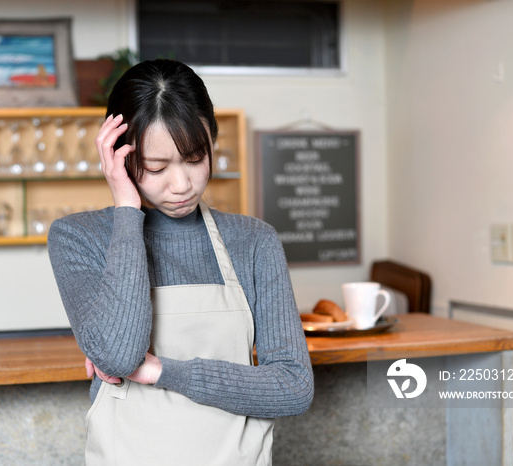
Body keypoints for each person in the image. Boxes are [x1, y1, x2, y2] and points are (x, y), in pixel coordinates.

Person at [47, 59, 313, 465]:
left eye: (194, 158)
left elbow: (293, 388)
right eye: (156, 167)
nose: (182, 184)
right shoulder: (80, 237)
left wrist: (161, 372)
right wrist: (126, 210)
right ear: (118, 156)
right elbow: (120, 356)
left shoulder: (254, 241)